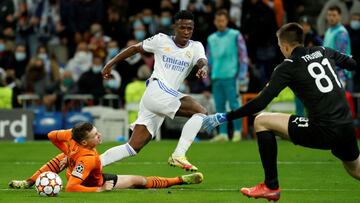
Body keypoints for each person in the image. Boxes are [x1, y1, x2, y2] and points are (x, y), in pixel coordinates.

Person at [203, 23, 359, 201]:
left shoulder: (288, 67)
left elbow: (260, 102)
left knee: (261, 121)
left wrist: (224, 116)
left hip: (324, 129)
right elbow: (352, 63)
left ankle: (271, 186)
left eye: (279, 45)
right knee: (355, 169)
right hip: (347, 125)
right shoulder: (323, 50)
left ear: (285, 46)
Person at [101, 10, 209, 172]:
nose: (186, 32)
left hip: (161, 99)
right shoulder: (161, 40)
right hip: (156, 90)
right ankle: (178, 155)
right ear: (174, 27)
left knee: (133, 147)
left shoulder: (196, 46)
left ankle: (93, 163)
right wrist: (111, 63)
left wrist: (204, 67)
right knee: (200, 112)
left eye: (190, 28)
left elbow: (201, 60)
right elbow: (135, 48)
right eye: (182, 28)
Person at [8, 122, 204, 192]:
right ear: (85, 142)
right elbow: (72, 188)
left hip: (77, 171)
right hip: (92, 182)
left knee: (60, 159)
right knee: (139, 181)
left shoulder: (71, 136)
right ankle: (179, 180)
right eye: (95, 135)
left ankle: (28, 182)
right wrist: (99, 190)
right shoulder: (89, 157)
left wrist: (68, 153)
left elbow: (52, 135)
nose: (100, 135)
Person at [206, 9, 248, 142]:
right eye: (218, 21)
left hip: (231, 76)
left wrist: (242, 75)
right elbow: (209, 58)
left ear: (227, 21)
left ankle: (237, 132)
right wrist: (207, 76)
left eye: (222, 20)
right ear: (214, 22)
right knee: (219, 107)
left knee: (234, 105)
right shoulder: (211, 39)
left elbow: (243, 56)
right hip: (216, 76)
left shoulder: (235, 35)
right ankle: (223, 133)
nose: (220, 23)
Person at [323, 5, 352, 91]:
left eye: (334, 15)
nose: (331, 18)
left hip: (340, 75)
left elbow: (340, 57)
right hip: (330, 73)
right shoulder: (328, 31)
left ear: (339, 16)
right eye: (329, 15)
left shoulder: (341, 33)